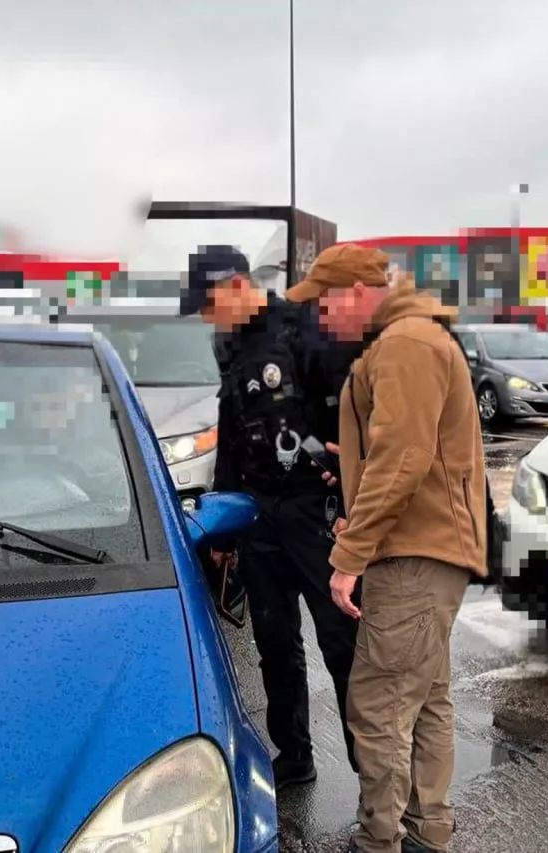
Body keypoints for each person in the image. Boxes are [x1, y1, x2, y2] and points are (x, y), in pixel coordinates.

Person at [291, 254, 489, 853]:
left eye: (326, 303)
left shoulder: (405, 344)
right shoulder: (405, 339)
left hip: (414, 553)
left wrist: (349, 555)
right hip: (426, 547)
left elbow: (403, 458)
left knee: (378, 705)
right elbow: (401, 451)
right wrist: (350, 465)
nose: (322, 318)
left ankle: (378, 840)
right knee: (425, 698)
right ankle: (427, 831)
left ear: (357, 291)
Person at [179, 244, 358, 786]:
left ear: (236, 286)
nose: (207, 317)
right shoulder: (229, 344)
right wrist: (224, 526)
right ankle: (295, 755)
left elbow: (353, 422)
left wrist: (354, 505)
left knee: (343, 648)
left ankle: (375, 779)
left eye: (210, 303)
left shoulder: (304, 330)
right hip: (258, 515)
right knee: (275, 645)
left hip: (315, 514)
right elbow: (231, 434)